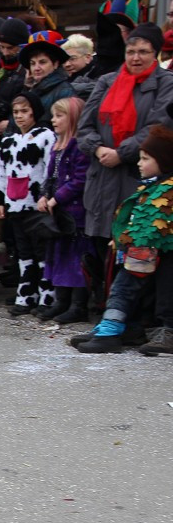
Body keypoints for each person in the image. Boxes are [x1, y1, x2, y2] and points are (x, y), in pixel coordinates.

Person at [75, 124, 173, 354]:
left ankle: (153, 330)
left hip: (157, 251)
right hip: (144, 251)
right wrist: (122, 239)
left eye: (145, 158)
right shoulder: (150, 188)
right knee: (127, 285)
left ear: (164, 161)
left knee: (130, 285)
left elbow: (155, 226)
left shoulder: (167, 190)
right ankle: (128, 327)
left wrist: (133, 242)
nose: (139, 164)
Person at [78, 23, 173, 253]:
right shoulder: (107, 81)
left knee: (134, 254)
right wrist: (98, 149)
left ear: (156, 54)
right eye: (130, 52)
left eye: (143, 52)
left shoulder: (167, 83)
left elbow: (158, 127)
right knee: (100, 256)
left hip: (136, 179)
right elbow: (84, 126)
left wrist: (121, 154)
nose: (135, 58)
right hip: (101, 179)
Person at [0, 93, 57, 315]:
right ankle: (26, 292)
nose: (20, 117)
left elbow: (51, 168)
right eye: (16, 112)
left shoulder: (45, 136)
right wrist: (0, 200)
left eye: (25, 111)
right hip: (14, 203)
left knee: (42, 249)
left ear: (35, 112)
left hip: (36, 204)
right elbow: (0, 171)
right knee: (23, 251)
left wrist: (46, 194)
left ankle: (46, 295)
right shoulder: (8, 140)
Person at [36, 96, 94, 323]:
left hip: (74, 213)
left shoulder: (78, 147)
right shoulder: (56, 146)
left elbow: (80, 180)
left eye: (60, 116)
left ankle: (78, 304)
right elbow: (49, 176)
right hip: (58, 213)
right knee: (59, 257)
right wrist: (44, 195)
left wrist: (56, 198)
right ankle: (61, 301)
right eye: (53, 115)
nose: (54, 120)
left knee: (75, 260)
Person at [18, 40, 75, 126]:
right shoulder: (30, 89)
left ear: (55, 64)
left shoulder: (65, 91)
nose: (36, 68)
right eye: (33, 63)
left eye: (42, 62)